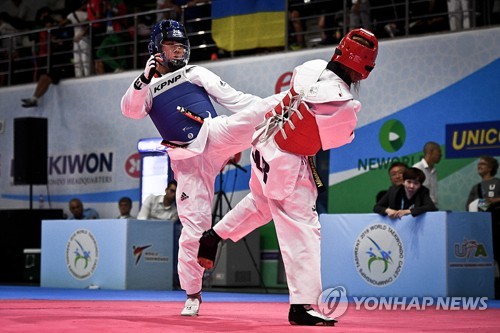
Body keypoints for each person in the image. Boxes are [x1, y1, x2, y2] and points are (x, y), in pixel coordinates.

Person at [197, 28, 379, 326]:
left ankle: (214, 235)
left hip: (263, 145)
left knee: (261, 204)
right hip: (287, 164)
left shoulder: (310, 69)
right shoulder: (344, 105)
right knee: (303, 229)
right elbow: (336, 140)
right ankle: (302, 305)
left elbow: (277, 104)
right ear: (365, 70)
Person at [120, 19, 279, 316]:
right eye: (171, 46)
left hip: (215, 135)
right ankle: (192, 294)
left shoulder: (195, 71)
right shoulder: (146, 87)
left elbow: (235, 99)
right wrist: (143, 78)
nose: (178, 52)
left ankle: (294, 105)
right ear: (156, 49)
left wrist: (263, 110)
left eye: (182, 46)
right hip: (188, 162)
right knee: (194, 230)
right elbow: (130, 111)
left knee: (259, 114)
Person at [373, 167, 438, 218]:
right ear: (403, 182)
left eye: (416, 183)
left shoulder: (423, 191)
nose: (412, 186)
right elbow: (377, 207)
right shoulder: (393, 191)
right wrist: (387, 210)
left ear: (420, 185)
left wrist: (408, 211)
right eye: (409, 182)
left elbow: (431, 207)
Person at [413, 141, 441, 207]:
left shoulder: (434, 171)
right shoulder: (417, 168)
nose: (441, 155)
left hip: (433, 207)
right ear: (430, 152)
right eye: (438, 152)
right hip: (421, 208)